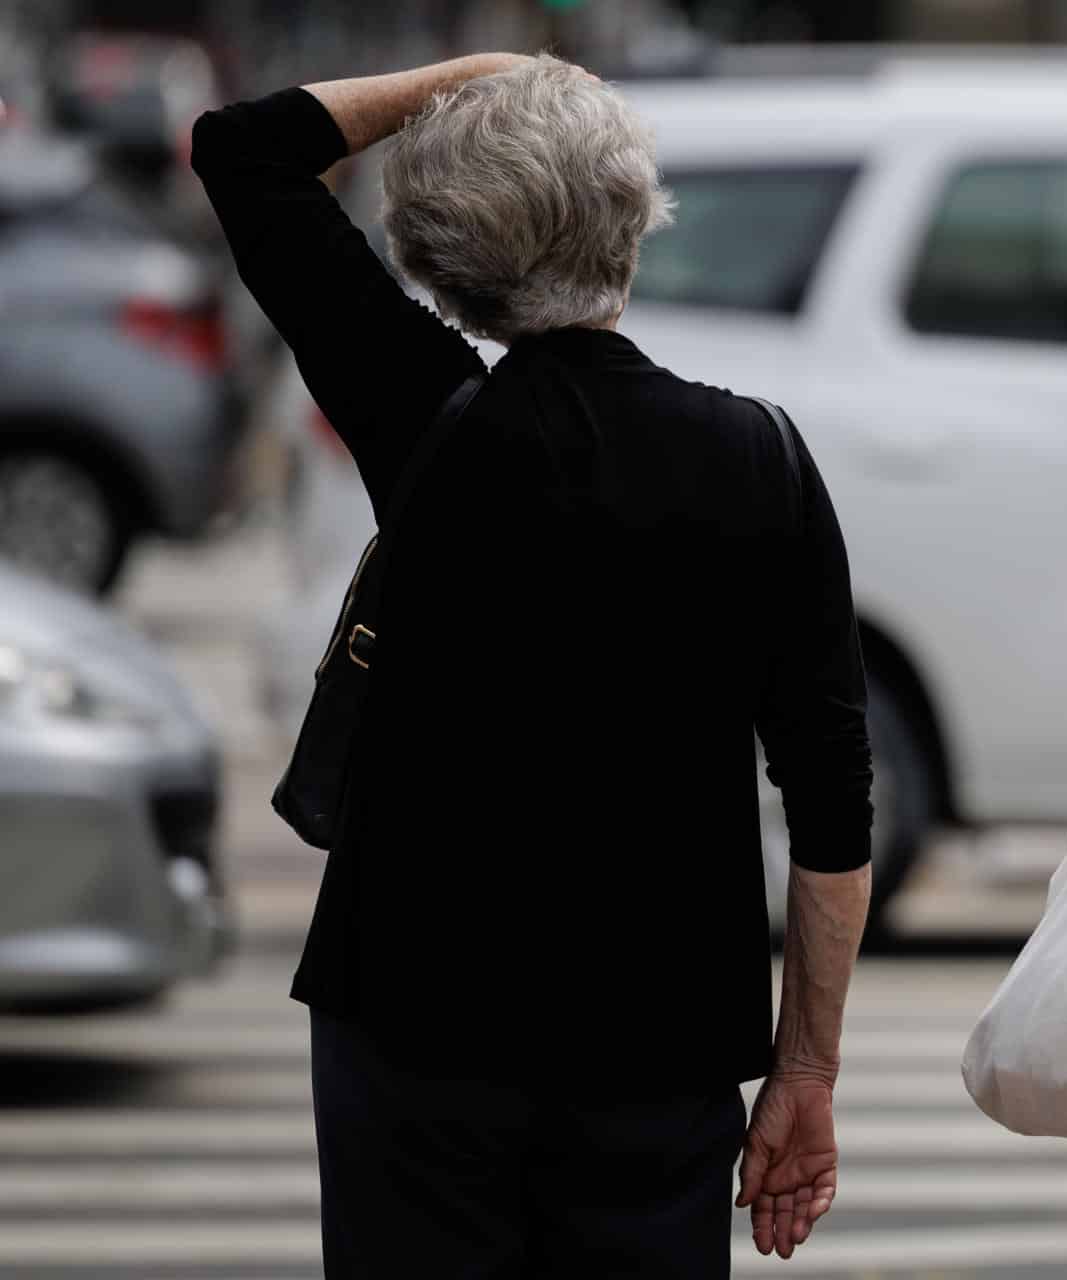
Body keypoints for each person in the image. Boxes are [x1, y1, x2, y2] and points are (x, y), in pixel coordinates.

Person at [192, 54, 874, 1275]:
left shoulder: (423, 415)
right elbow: (831, 808)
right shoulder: (761, 461)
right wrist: (805, 1070)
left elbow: (243, 150)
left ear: (447, 258)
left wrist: (487, 71)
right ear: (632, 219)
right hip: (657, 1047)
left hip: (410, 1018)